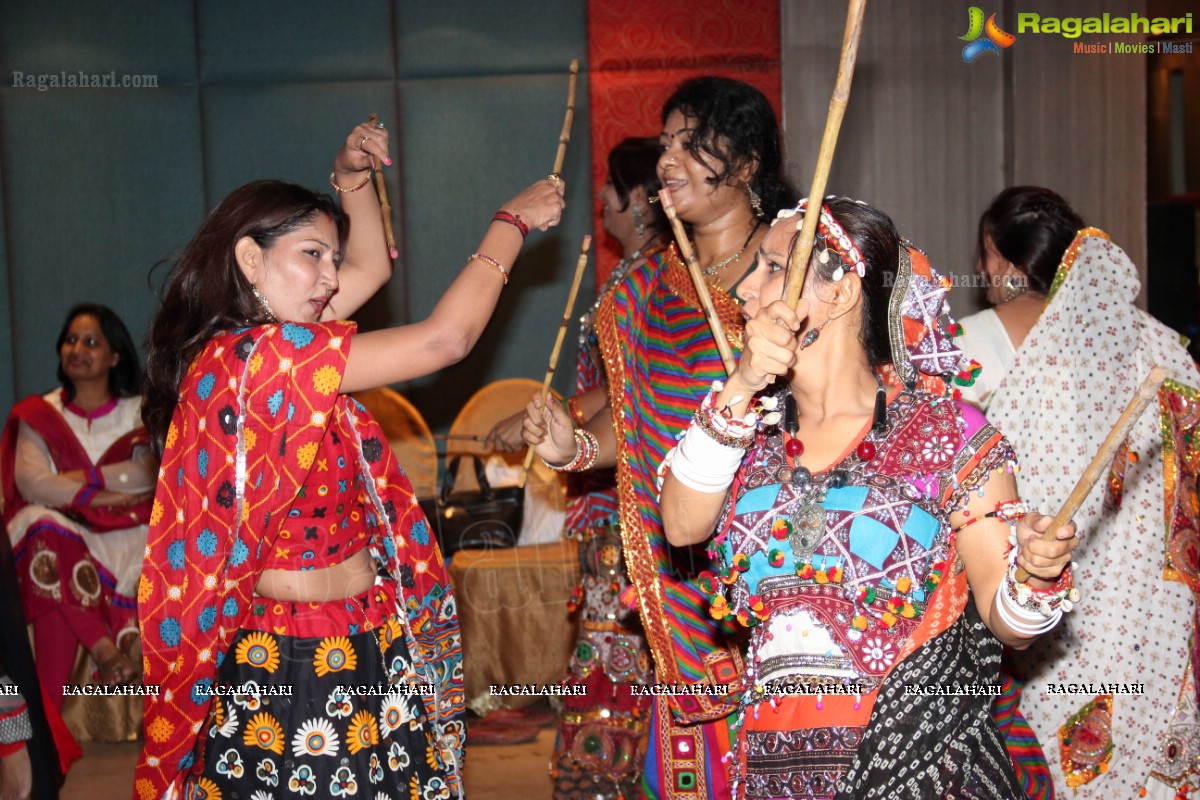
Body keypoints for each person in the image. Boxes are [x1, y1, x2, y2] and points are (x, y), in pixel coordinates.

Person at [134, 121, 565, 799]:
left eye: (332, 258)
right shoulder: (256, 362)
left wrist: (351, 177)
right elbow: (445, 341)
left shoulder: (283, 348)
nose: (331, 278)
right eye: (312, 255)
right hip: (293, 658)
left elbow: (373, 269)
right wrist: (510, 221)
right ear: (250, 260)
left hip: (368, 635)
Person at [653, 196, 1079, 799]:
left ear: (841, 291)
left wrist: (1036, 575)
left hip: (915, 766)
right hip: (775, 770)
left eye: (774, 267)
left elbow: (1009, 626)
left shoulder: (945, 432)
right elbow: (680, 526)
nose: (746, 290)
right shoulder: (745, 430)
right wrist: (742, 384)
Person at [522, 76, 799, 799]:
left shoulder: (791, 278)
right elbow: (636, 417)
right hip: (677, 576)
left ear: (743, 165)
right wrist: (572, 449)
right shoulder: (646, 290)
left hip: (782, 562)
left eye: (691, 144)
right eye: (666, 143)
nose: (668, 161)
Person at [957, 187, 1200, 798]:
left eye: (986, 255)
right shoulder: (1154, 343)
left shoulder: (962, 346)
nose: (983, 271)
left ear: (1009, 263)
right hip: (1144, 610)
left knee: (1039, 747)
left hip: (1028, 591)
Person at [488, 136, 669, 799]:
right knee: (617, 650)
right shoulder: (642, 272)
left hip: (631, 494)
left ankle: (606, 781)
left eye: (610, 192)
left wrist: (561, 420)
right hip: (606, 484)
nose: (600, 202)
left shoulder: (656, 278)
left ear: (640, 199)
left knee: (615, 651)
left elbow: (635, 389)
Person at [1, 304, 154, 708]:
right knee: (43, 527)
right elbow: (33, 484)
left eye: (91, 341)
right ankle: (102, 650)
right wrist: (104, 498)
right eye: (70, 340)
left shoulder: (137, 412)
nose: (77, 349)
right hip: (61, 530)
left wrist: (84, 478)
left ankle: (48, 722)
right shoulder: (40, 413)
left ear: (115, 355)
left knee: (53, 553)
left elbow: (146, 475)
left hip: (123, 537)